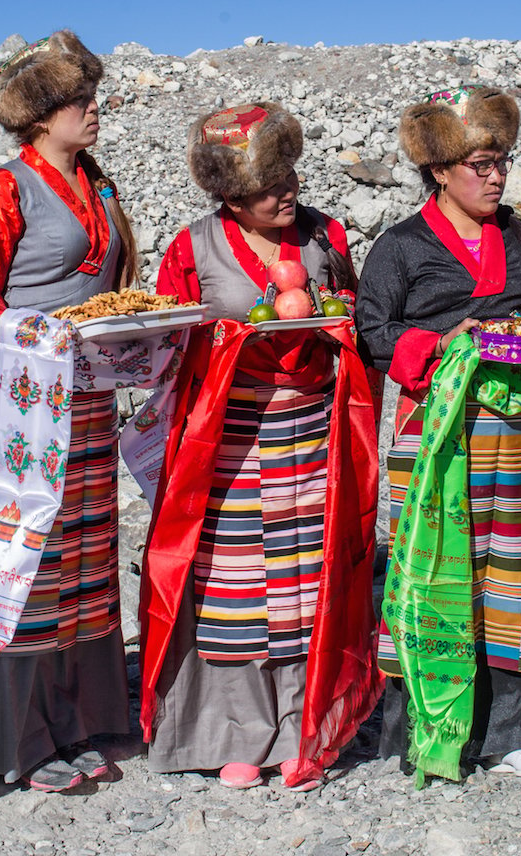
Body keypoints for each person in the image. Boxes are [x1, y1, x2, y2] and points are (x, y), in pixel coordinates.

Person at [141, 102, 381, 791]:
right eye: (267, 185)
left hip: (314, 435)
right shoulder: (193, 247)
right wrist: (224, 342)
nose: (287, 192)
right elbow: (167, 340)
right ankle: (240, 731)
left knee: (313, 580)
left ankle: (309, 723)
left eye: (289, 175)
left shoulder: (326, 235)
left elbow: (353, 313)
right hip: (232, 441)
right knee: (236, 587)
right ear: (227, 194)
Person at [355, 86, 521, 783]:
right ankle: (429, 727)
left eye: (502, 162)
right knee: (432, 578)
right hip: (434, 443)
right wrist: (442, 341)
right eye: (481, 164)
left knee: (513, 582)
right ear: (438, 171)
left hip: (515, 437)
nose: (495, 177)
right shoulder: (401, 247)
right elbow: (372, 334)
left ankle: (518, 731)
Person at [0, 30, 139, 792]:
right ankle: (21, 739)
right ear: (39, 117)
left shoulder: (99, 183)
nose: (93, 111)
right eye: (76, 102)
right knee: (29, 560)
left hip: (91, 395)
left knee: (87, 557)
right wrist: (33, 335)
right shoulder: (3, 190)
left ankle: (77, 717)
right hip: (33, 398)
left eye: (91, 98)